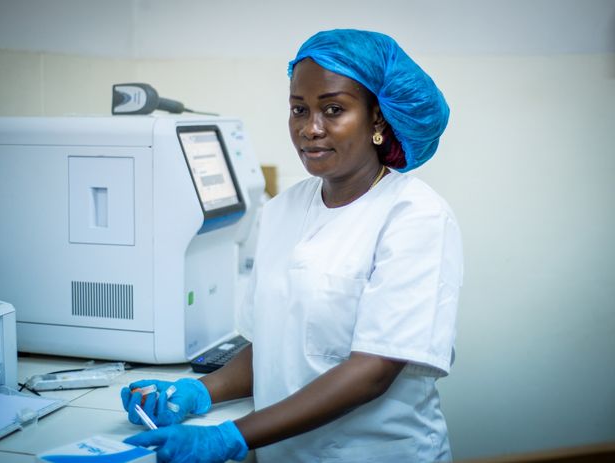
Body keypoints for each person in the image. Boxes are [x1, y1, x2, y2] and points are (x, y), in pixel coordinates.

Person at [121, 29, 463, 462]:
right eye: (299, 109)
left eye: (333, 109)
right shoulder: (281, 211)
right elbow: (274, 344)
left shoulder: (415, 217)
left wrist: (230, 436)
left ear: (378, 120)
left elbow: (372, 370)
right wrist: (195, 392)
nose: (310, 129)